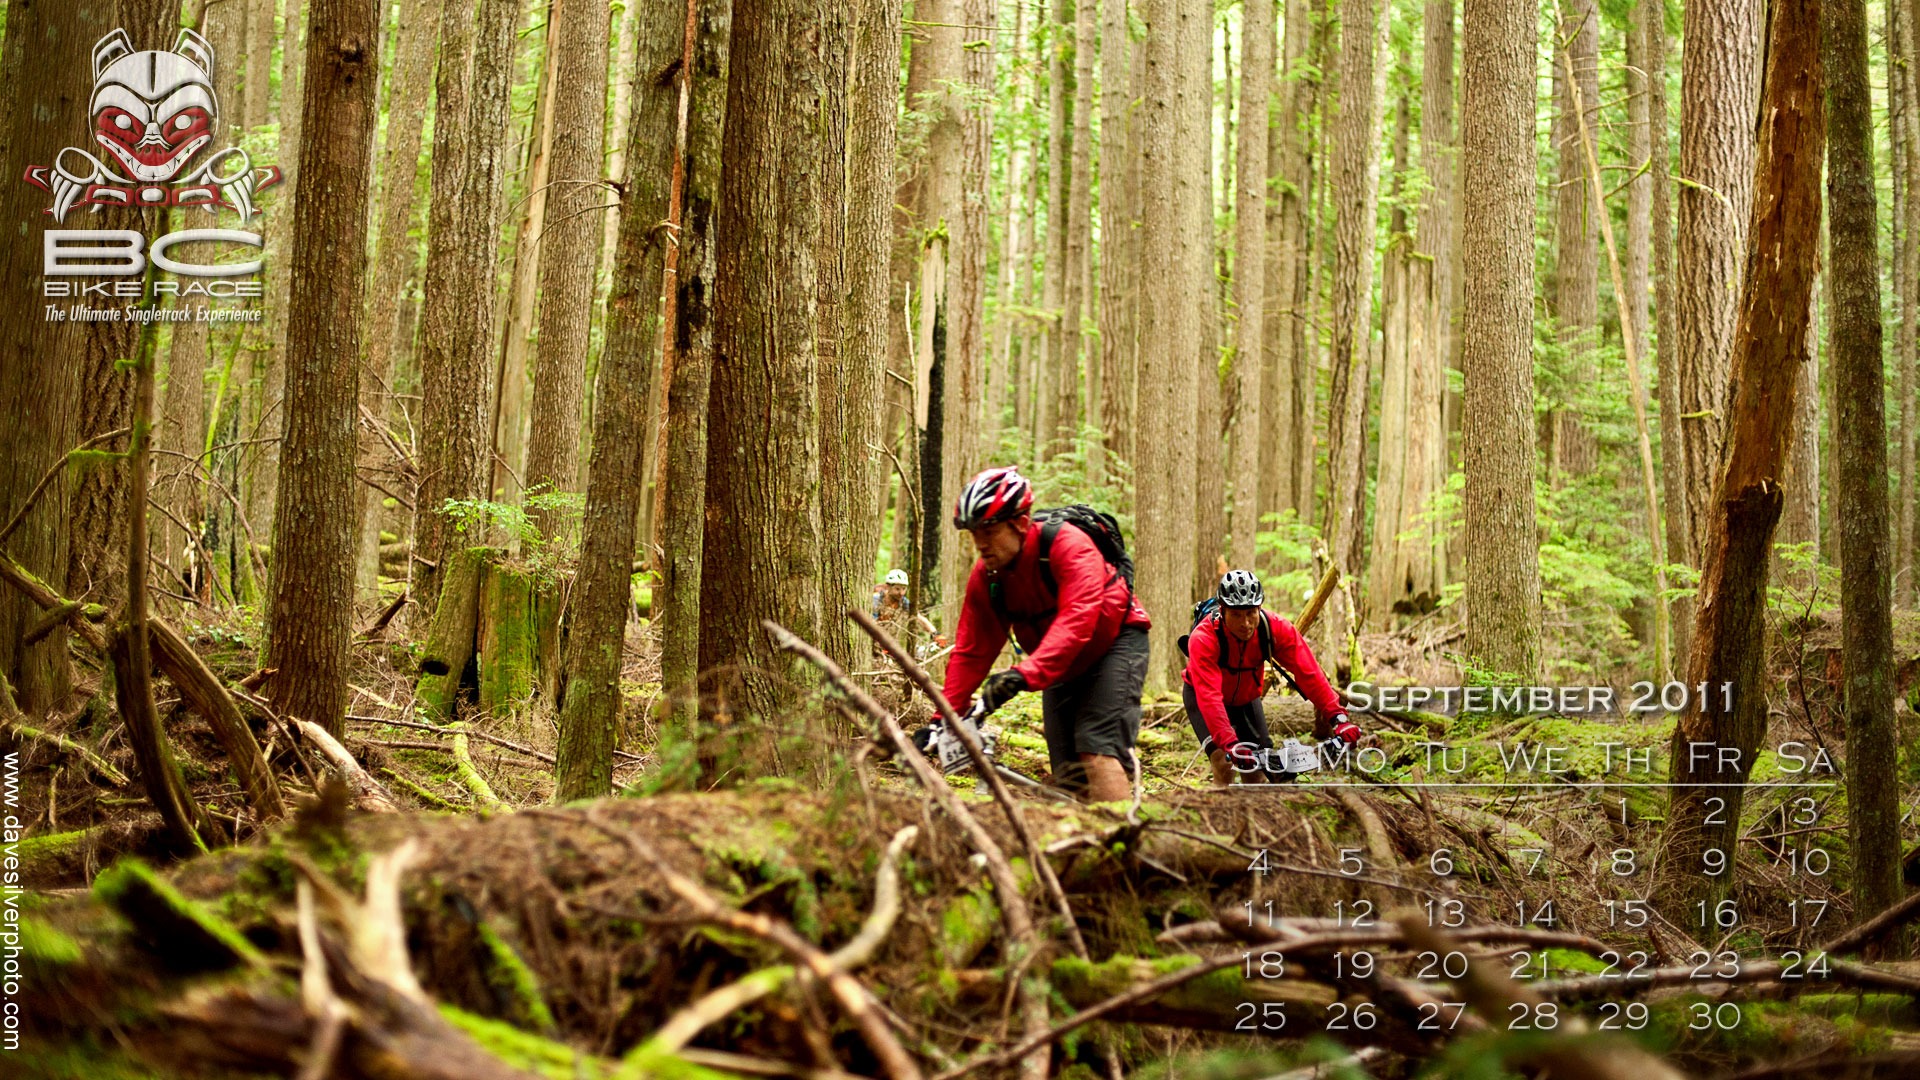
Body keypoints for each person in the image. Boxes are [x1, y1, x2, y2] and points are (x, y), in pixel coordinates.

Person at [940, 466, 1151, 802]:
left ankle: (1128, 845)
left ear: (1019, 523)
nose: (980, 543)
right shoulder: (988, 577)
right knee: (1068, 774)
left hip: (1116, 643)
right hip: (1059, 666)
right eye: (974, 533)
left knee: (1097, 749)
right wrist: (944, 718)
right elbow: (971, 651)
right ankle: (1083, 847)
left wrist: (1023, 675)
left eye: (989, 531)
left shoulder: (1068, 545)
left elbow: (1077, 619)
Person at [1183, 569, 1359, 786]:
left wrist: (1338, 717)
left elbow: (1309, 672)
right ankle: (1219, 814)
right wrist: (1229, 743)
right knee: (1223, 761)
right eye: (1236, 615)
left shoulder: (1274, 628)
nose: (1245, 623)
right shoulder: (1204, 638)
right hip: (1202, 698)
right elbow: (1209, 696)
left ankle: (1254, 817)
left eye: (1250, 613)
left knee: (1257, 772)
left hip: (1246, 699)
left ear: (1259, 608)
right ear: (1223, 610)